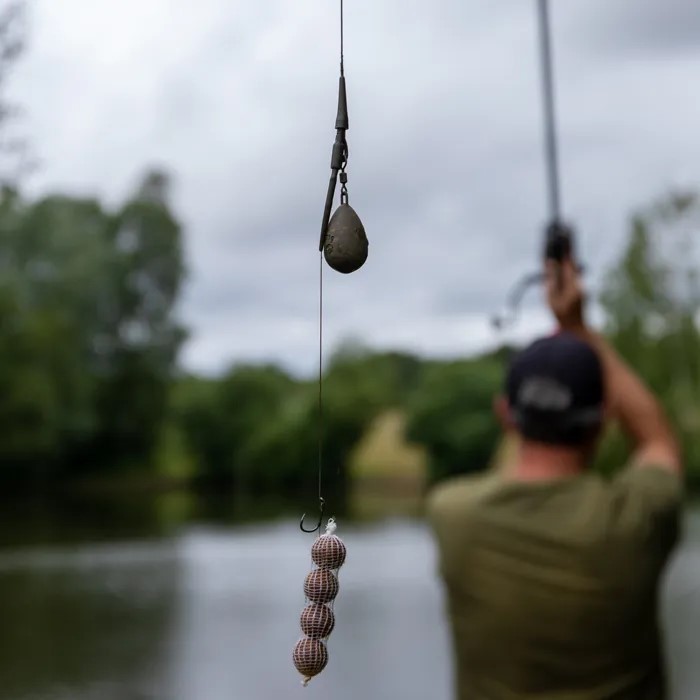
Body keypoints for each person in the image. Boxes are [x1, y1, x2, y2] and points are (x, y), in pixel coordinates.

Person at [426, 256, 684, 700]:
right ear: (604, 418)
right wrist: (578, 326)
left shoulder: (453, 515)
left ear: (506, 417)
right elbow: (657, 442)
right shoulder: (637, 516)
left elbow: (506, 471)